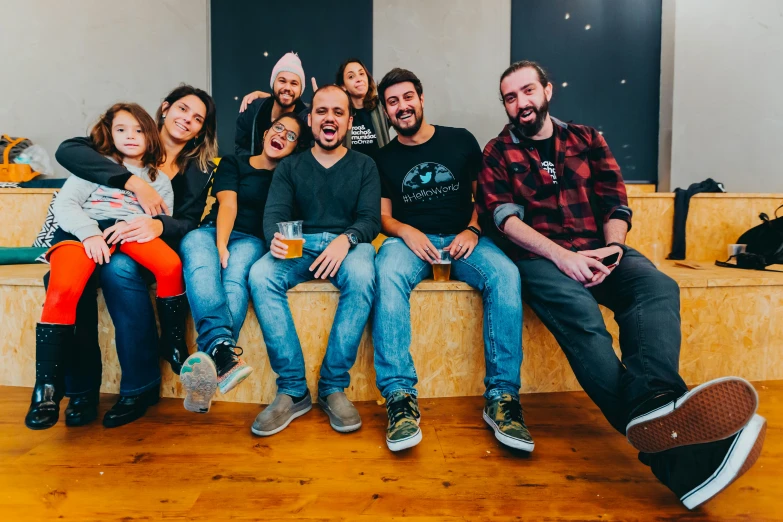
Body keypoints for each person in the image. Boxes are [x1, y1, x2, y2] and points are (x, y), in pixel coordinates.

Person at [477, 60, 765, 509]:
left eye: (527, 91)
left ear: (547, 90)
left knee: (657, 287)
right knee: (582, 315)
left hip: (601, 248)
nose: (521, 103)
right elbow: (505, 220)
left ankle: (657, 399)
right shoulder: (497, 151)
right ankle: (680, 460)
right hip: (542, 259)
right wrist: (563, 257)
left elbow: (616, 202)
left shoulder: (587, 138)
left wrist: (613, 249)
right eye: (510, 98)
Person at [371, 68, 528, 452]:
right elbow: (385, 216)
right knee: (386, 270)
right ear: (386, 112)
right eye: (392, 102)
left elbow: (484, 198)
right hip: (411, 244)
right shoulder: (383, 158)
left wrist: (473, 230)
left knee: (506, 274)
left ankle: (503, 398)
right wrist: (406, 232)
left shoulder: (459, 140)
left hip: (465, 240)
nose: (402, 107)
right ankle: (399, 399)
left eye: (407, 97)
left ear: (421, 99)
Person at [52, 85, 218, 428]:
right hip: (93, 235)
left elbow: (187, 221)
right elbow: (69, 151)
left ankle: (140, 387)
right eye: (183, 109)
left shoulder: (197, 169)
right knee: (67, 281)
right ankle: (81, 392)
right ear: (165, 108)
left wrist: (156, 224)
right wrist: (133, 182)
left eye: (197, 118)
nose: (187, 120)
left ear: (202, 129)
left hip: (145, 246)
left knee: (119, 270)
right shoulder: (126, 138)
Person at [25, 103, 186, 429]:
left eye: (139, 130)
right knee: (64, 288)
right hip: (81, 236)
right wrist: (89, 234)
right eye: (122, 130)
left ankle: (170, 345)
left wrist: (137, 224)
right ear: (109, 135)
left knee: (159, 267)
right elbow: (66, 205)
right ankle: (52, 391)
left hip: (126, 236)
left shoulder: (158, 179)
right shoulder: (94, 167)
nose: (130, 136)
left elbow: (161, 218)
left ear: (151, 136)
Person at [247, 85, 380, 437]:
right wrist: (275, 239)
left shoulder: (365, 165)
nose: (330, 118)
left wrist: (345, 239)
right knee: (261, 274)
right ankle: (293, 390)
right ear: (311, 119)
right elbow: (274, 215)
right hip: (300, 245)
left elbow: (370, 219)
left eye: (338, 112)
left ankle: (332, 386)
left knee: (365, 271)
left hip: (348, 246)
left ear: (349, 121)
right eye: (322, 111)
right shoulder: (290, 166)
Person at [179, 113, 304, 413]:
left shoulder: (288, 176)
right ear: (264, 133)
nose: (281, 136)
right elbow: (228, 204)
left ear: (295, 148)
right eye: (278, 129)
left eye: (291, 136)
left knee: (235, 279)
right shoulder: (235, 163)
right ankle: (223, 355)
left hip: (251, 239)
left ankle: (211, 362)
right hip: (213, 231)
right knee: (202, 263)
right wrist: (221, 243)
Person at [240, 58, 390, 158]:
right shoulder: (340, 112)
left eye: (362, 74)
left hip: (379, 178)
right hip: (350, 175)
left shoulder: (381, 108)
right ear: (342, 86)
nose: (358, 79)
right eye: (351, 76)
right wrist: (268, 97)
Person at [235, 52, 310, 155]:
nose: (287, 88)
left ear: (301, 90)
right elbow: (241, 148)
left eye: (294, 83)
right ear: (273, 83)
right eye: (282, 81)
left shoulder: (307, 121)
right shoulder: (253, 110)